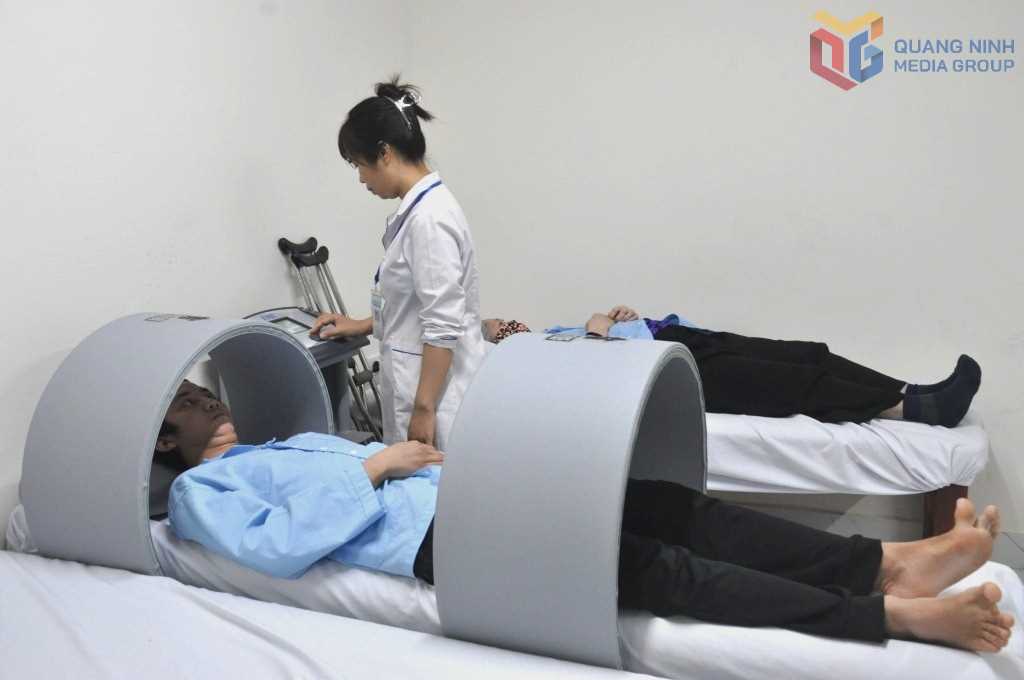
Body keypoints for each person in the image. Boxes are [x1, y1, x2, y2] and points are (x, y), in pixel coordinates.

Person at [161, 380, 1013, 652]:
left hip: (474, 494)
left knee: (673, 506)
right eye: (193, 405)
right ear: (169, 440)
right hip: (438, 541)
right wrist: (379, 465)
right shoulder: (199, 496)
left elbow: (377, 469)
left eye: (210, 394)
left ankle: (884, 563)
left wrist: (422, 460)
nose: (213, 404)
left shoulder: (287, 441)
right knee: (656, 568)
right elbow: (278, 548)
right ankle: (892, 614)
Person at [308, 77, 486, 450]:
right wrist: (360, 324)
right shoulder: (422, 210)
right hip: (421, 388)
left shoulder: (429, 220)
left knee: (430, 485)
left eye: (359, 165)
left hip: (436, 403)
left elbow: (442, 324)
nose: (361, 179)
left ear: (385, 153)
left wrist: (423, 409)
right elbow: (415, 306)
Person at [482, 307, 982, 427]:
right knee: (790, 382)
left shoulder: (546, 337)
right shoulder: (522, 363)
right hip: (660, 374)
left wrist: (619, 320)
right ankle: (913, 411)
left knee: (808, 354)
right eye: (505, 328)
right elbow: (588, 378)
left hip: (670, 339)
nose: (506, 323)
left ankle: (914, 390)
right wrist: (597, 333)